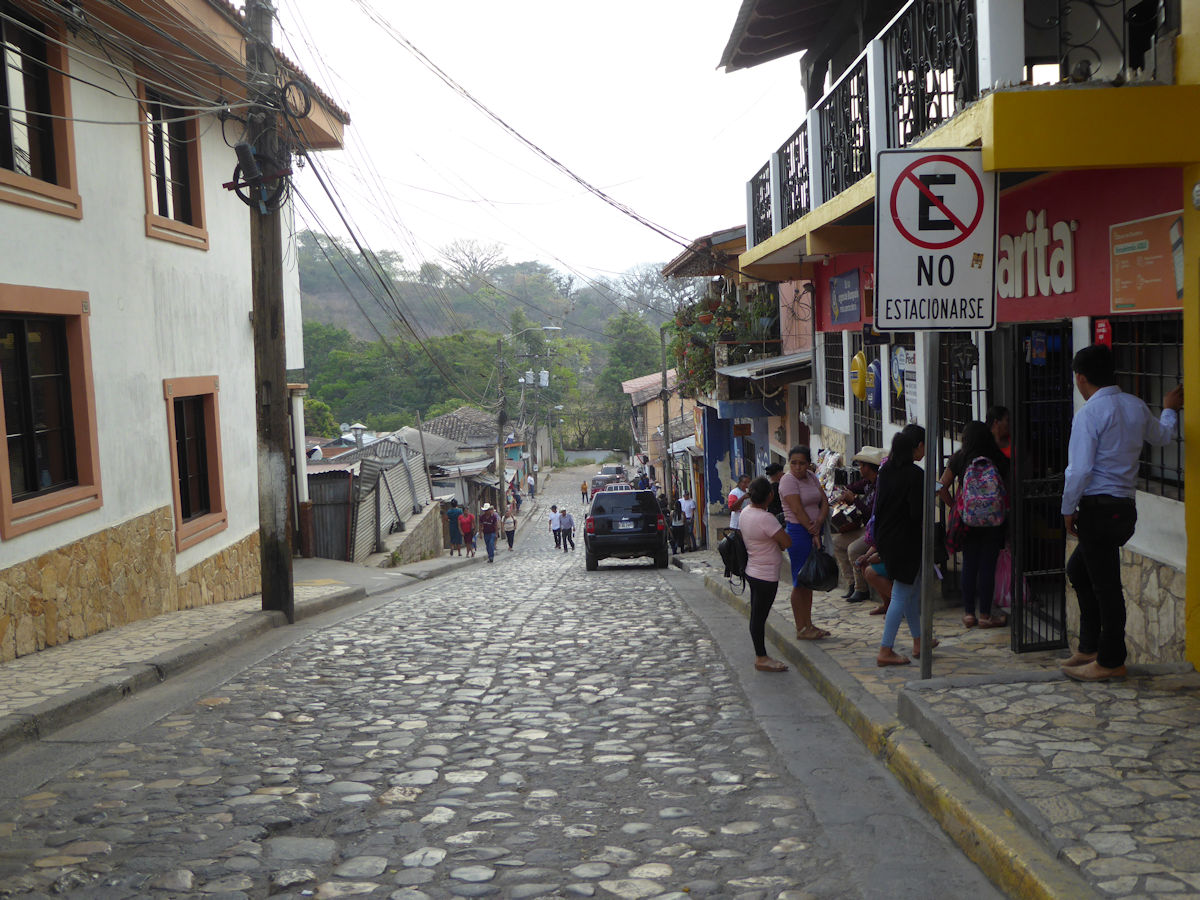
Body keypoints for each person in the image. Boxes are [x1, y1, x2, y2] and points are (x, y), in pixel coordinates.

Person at [1060, 344, 1182, 682]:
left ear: (1080, 378)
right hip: (1124, 510)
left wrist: (1067, 509)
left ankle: (1110, 660)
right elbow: (1165, 435)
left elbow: (1079, 470)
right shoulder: (1136, 406)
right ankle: (1089, 647)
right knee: (1080, 570)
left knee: (1107, 587)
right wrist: (1170, 409)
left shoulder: (1089, 414)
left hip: (1098, 509)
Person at [943, 421, 1010, 628]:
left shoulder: (959, 458)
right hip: (993, 522)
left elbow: (941, 486)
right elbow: (1007, 490)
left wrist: (955, 506)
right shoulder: (999, 458)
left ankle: (969, 613)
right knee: (988, 567)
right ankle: (985, 615)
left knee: (970, 565)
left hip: (968, 521)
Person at [873, 425, 929, 667]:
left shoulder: (885, 470)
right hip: (905, 540)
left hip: (885, 537)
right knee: (901, 593)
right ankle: (886, 649)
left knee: (911, 592)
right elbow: (917, 513)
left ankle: (919, 641)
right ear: (916, 447)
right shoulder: (916, 475)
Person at [740, 476, 793, 672]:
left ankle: (761, 655)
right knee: (759, 617)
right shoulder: (766, 518)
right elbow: (786, 542)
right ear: (770, 496)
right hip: (766, 575)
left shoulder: (746, 512)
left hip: (753, 570)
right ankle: (761, 657)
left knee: (757, 615)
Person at [779, 446, 830, 640]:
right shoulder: (787, 481)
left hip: (813, 529)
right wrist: (812, 530)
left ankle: (808, 624)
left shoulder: (811, 476)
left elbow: (824, 501)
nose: (798, 467)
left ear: (808, 463)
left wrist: (818, 523)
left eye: (802, 463)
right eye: (794, 463)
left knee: (808, 581)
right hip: (799, 533)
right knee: (800, 580)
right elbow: (797, 510)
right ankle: (801, 627)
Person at [832, 447, 882, 604]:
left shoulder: (881, 486)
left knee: (853, 549)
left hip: (875, 531)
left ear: (869, 467)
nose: (860, 468)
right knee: (838, 542)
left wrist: (855, 501)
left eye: (862, 465)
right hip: (866, 529)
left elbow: (870, 513)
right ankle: (852, 583)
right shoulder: (868, 483)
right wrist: (845, 494)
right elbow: (853, 487)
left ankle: (862, 589)